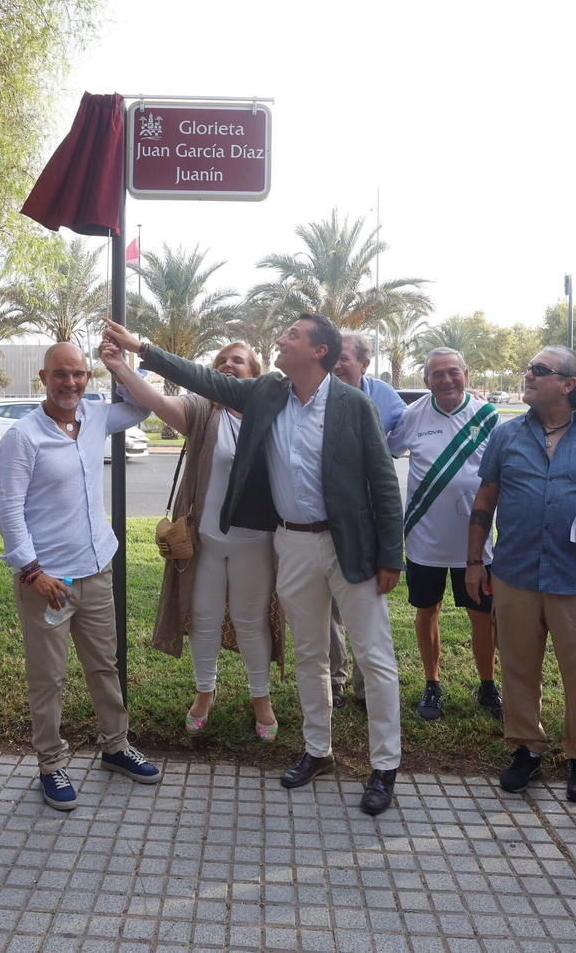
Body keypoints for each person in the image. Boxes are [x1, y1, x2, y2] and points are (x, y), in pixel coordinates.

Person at [103, 313, 406, 816]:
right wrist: (141, 347)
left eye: (292, 335)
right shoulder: (267, 394)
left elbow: (384, 482)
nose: (281, 338)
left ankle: (385, 766)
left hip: (350, 546)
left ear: (319, 353)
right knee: (309, 654)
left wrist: (390, 556)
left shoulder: (353, 405)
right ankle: (317, 750)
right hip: (291, 545)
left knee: (373, 656)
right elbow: (201, 379)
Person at [467, 346, 576, 804]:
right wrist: (473, 561)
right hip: (514, 574)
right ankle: (526, 748)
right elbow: (484, 502)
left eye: (539, 371)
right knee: (518, 668)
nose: (528, 375)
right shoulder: (506, 436)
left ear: (569, 384)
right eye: (528, 367)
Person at [0, 342, 163, 811]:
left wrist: (120, 364)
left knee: (103, 664)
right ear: (43, 378)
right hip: (49, 581)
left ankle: (115, 746)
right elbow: (8, 511)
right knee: (48, 677)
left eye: (80, 375)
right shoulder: (23, 437)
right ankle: (50, 764)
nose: (71, 383)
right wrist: (33, 573)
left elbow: (141, 404)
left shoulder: (94, 418)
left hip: (97, 569)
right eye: (61, 374)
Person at [99, 339, 283, 738]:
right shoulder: (204, 410)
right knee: (204, 620)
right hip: (205, 542)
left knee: (251, 623)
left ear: (254, 372)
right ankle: (204, 693)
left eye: (239, 361)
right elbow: (159, 402)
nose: (229, 366)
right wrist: (120, 367)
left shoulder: (272, 412)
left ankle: (260, 700)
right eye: (221, 361)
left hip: (256, 542)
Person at [389, 348, 502, 724]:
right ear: (426, 381)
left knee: (481, 614)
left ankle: (488, 685)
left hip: (476, 544)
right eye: (437, 374)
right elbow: (388, 448)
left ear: (466, 374)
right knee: (427, 610)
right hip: (424, 539)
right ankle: (432, 683)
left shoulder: (487, 415)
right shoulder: (413, 415)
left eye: (453, 372)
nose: (446, 380)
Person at [326, 331, 401, 708]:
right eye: (332, 356)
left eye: (344, 357)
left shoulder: (385, 398)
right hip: (324, 524)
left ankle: (365, 686)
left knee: (364, 606)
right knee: (327, 610)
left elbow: (401, 442)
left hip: (366, 523)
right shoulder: (314, 391)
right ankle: (334, 681)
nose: (337, 364)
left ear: (364, 363)